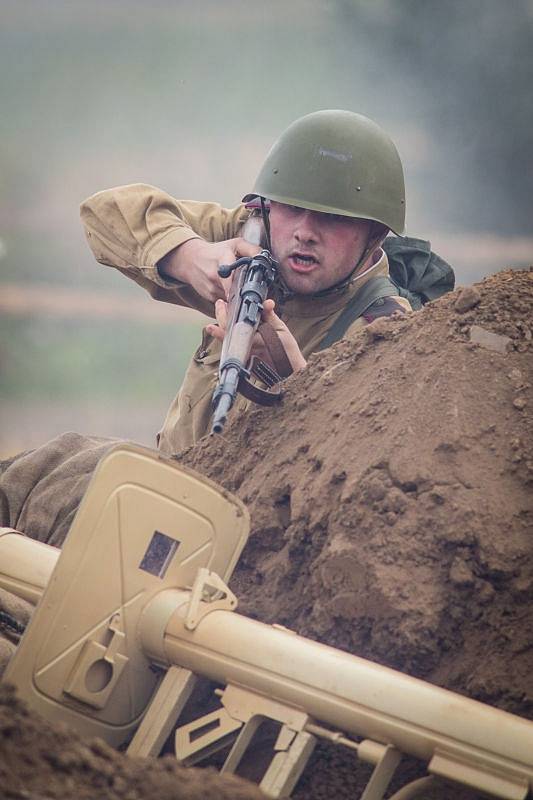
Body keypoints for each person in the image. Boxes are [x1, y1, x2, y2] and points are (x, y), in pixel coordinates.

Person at [80, 109, 416, 454]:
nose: (304, 232)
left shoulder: (384, 333)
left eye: (331, 219)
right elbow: (103, 213)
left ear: (375, 235)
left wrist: (290, 374)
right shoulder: (249, 241)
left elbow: (358, 459)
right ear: (266, 208)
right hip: (170, 481)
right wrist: (189, 257)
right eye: (291, 208)